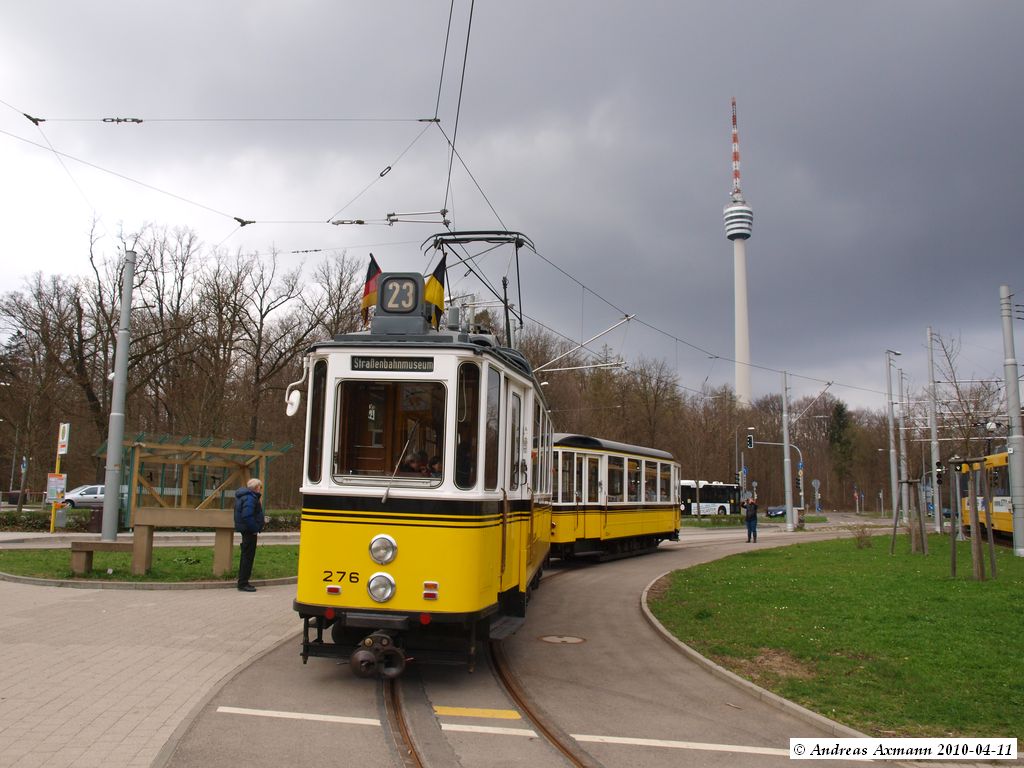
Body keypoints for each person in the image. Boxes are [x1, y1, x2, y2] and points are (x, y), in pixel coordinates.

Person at [234, 478, 265, 592]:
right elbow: (247, 515)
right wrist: (255, 528)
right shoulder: (250, 498)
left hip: (246, 530)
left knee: (246, 556)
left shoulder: (244, 496)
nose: (260, 489)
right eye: (260, 487)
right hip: (249, 531)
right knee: (248, 557)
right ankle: (243, 583)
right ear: (256, 487)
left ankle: (243, 581)